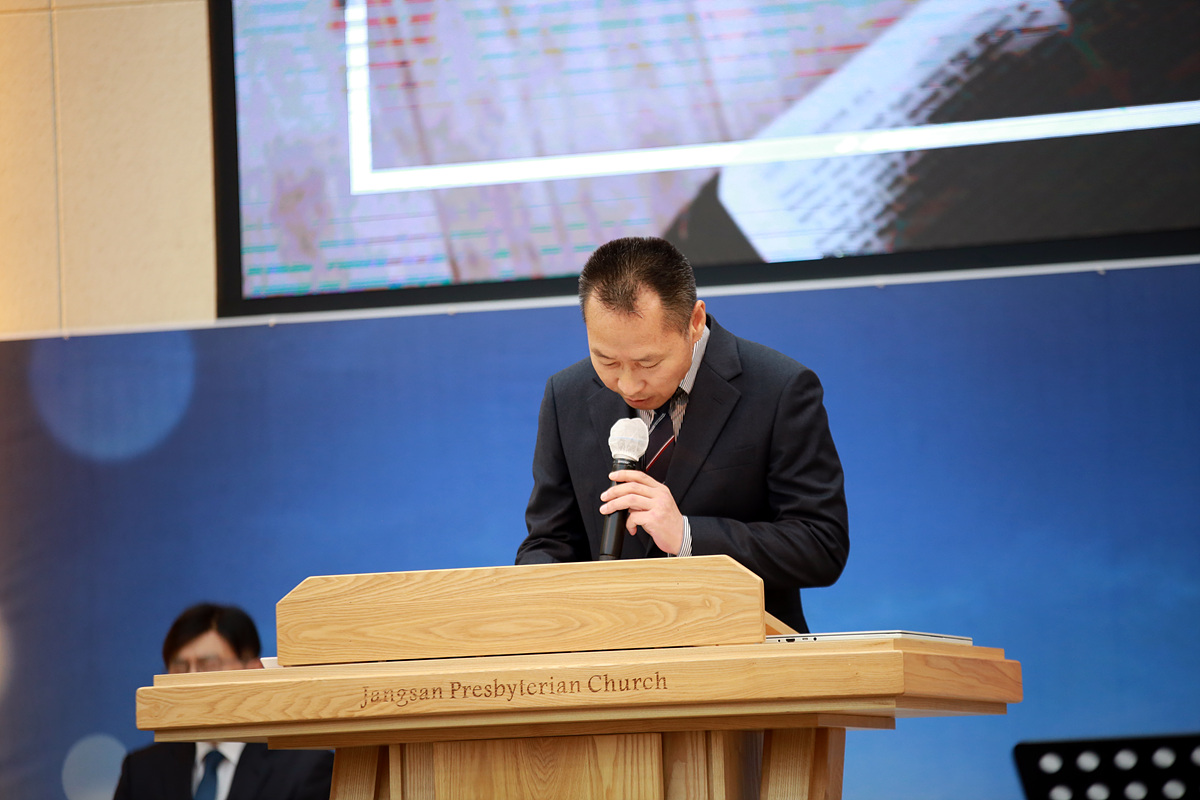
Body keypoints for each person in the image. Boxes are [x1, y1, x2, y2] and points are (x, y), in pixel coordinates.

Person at [516, 236, 849, 633]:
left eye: (648, 363)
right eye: (606, 360)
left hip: (741, 648)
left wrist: (687, 534)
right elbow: (548, 542)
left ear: (694, 322)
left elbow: (820, 545)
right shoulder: (566, 395)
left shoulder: (779, 388)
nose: (628, 384)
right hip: (609, 648)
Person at [113, 603, 333, 800]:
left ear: (253, 669)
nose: (190, 679)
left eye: (208, 666)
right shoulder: (141, 770)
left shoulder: (306, 767)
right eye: (180, 668)